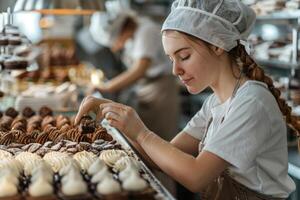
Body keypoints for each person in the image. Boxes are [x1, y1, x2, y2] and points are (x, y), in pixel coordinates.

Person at [76, 0, 300, 199]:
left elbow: (195, 176)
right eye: (171, 59)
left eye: (184, 56)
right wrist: (119, 119)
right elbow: (163, 159)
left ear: (217, 44)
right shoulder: (214, 103)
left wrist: (142, 133)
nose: (175, 70)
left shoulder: (252, 102)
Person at [89, 10, 180, 141]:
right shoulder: (133, 34)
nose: (115, 47)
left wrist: (107, 87)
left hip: (160, 89)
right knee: (148, 138)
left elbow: (139, 69)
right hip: (146, 87)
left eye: (116, 40)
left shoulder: (146, 31)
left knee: (161, 137)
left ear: (123, 29)